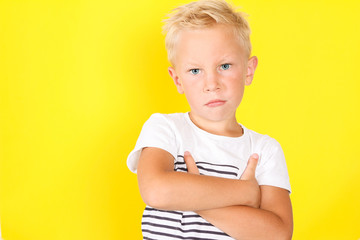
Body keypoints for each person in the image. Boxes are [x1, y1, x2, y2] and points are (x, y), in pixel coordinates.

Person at [127, 0, 293, 239]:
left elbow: (277, 234)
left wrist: (193, 195)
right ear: (177, 80)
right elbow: (157, 192)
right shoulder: (165, 128)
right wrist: (244, 191)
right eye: (195, 71)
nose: (211, 84)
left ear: (248, 70)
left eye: (224, 66)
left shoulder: (264, 149)